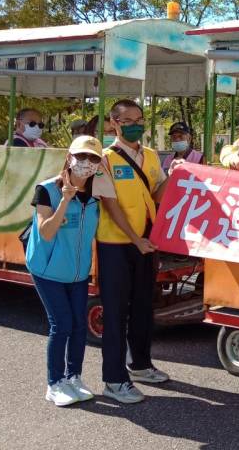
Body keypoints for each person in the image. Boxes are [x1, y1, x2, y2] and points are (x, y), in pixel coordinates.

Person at [93, 99, 175, 404]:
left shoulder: (151, 156)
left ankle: (140, 364)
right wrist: (134, 238)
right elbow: (109, 203)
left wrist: (174, 176)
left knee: (143, 307)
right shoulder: (103, 159)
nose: (135, 124)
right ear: (114, 123)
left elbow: (155, 193)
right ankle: (114, 380)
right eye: (128, 120)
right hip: (116, 244)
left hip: (146, 242)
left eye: (139, 119)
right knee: (116, 313)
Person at [25, 136, 102, 406]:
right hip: (47, 270)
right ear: (69, 157)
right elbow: (45, 232)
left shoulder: (97, 195)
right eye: (81, 156)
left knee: (79, 325)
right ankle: (54, 383)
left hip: (78, 273)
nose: (86, 163)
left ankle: (74, 377)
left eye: (93, 158)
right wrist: (65, 200)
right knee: (62, 325)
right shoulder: (46, 189)